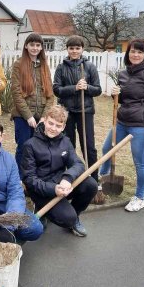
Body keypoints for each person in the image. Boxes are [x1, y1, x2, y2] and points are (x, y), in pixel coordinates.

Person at [99, 39, 144, 212]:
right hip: (122, 121)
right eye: (133, 51)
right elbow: (123, 99)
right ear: (128, 53)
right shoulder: (123, 73)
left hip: (141, 125)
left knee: (140, 163)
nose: (135, 55)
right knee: (107, 149)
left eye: (140, 52)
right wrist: (115, 95)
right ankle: (102, 182)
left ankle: (140, 197)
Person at [21, 105, 98, 237]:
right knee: (67, 218)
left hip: (62, 186)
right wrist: (53, 189)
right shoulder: (30, 145)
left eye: (58, 126)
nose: (53, 128)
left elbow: (78, 164)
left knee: (91, 185)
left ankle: (75, 216)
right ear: (44, 120)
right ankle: (43, 210)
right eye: (50, 123)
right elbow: (29, 179)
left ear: (63, 127)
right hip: (41, 190)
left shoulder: (65, 142)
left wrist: (67, 178)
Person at [53, 35, 102, 182]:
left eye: (77, 48)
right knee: (68, 145)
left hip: (85, 111)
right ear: (67, 49)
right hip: (66, 112)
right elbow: (56, 89)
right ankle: (69, 177)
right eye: (71, 48)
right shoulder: (61, 67)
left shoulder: (89, 67)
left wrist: (87, 87)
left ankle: (93, 178)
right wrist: (74, 88)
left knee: (89, 146)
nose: (74, 51)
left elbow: (98, 90)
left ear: (82, 49)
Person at [11, 32, 54, 172]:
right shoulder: (18, 64)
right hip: (23, 116)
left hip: (40, 116)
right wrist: (28, 116)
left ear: (41, 47)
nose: (35, 48)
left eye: (38, 45)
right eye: (32, 44)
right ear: (26, 46)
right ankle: (18, 180)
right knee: (23, 147)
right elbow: (16, 92)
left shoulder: (44, 66)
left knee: (38, 149)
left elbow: (50, 94)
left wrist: (44, 116)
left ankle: (32, 180)